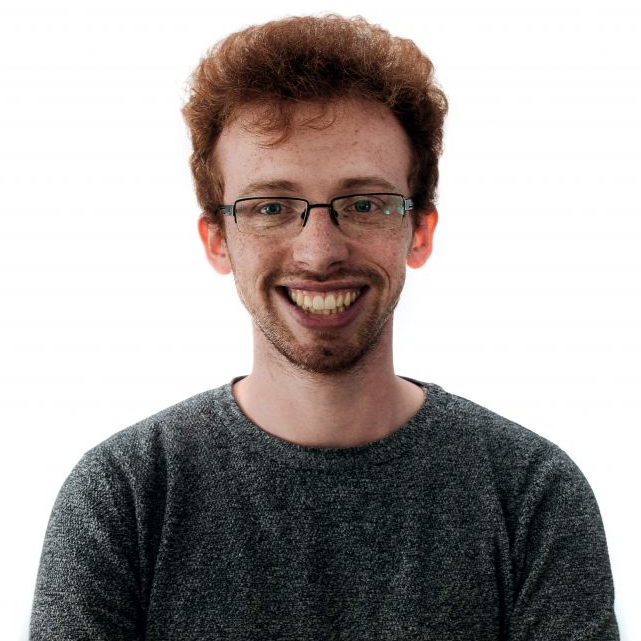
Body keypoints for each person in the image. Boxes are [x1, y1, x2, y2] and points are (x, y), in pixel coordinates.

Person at [30, 14, 619, 641]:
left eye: (364, 204)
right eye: (271, 207)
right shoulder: (122, 496)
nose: (318, 253)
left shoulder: (530, 494)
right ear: (217, 239)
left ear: (419, 231)